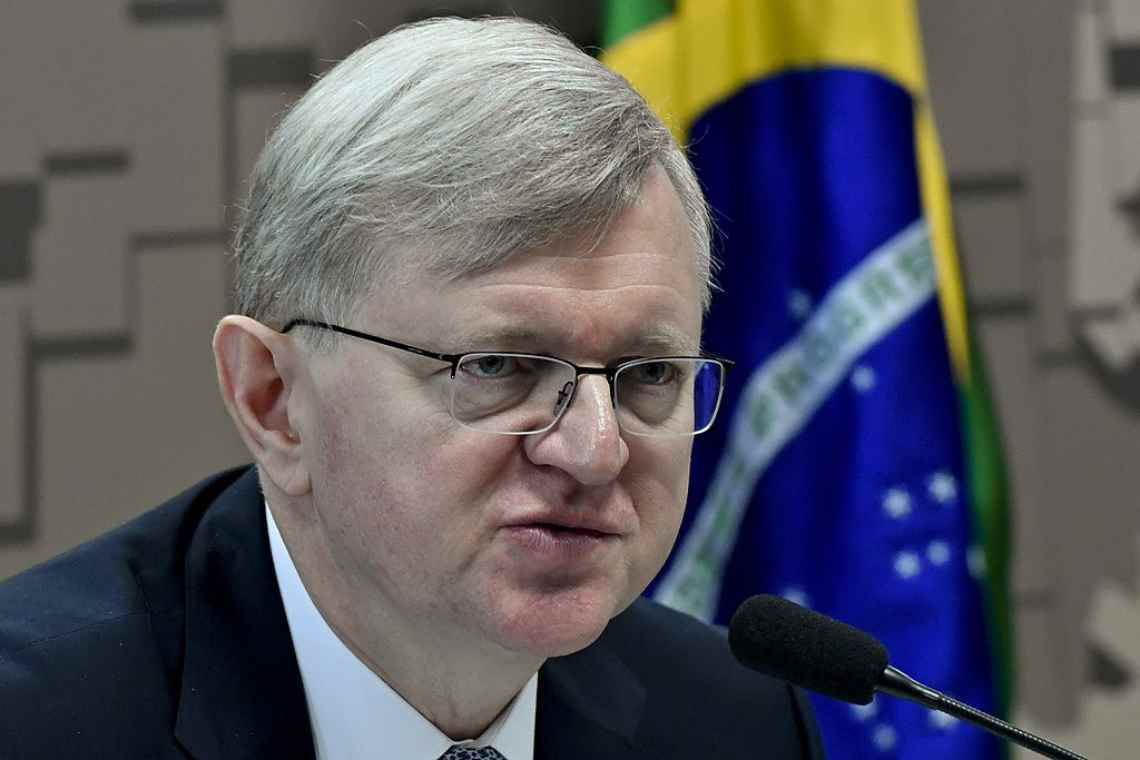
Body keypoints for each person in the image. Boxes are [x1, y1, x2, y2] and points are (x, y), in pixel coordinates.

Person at [0, 17, 824, 759]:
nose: (595, 451)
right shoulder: (33, 721)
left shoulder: (737, 721)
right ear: (274, 402)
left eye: (649, 374)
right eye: (498, 367)